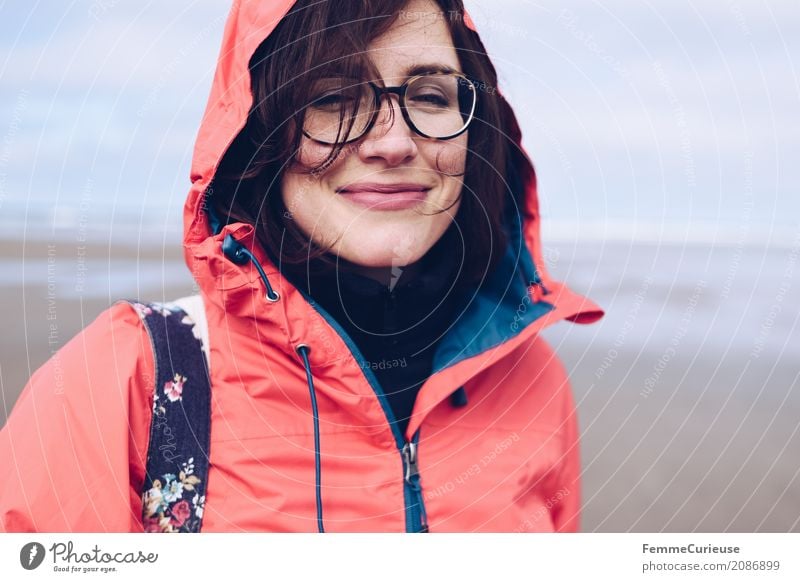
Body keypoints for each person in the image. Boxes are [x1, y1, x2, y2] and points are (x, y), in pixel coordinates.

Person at [0, 0, 602, 532]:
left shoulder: (531, 381)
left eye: (429, 95)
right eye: (333, 97)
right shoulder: (123, 379)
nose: (392, 143)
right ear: (256, 134)